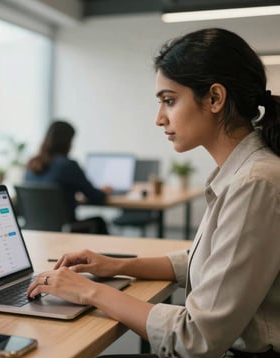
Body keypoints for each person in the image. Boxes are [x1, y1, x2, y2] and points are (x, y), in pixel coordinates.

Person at [26, 28, 280, 357]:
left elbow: (195, 339)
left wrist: (90, 292)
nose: (159, 119)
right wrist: (114, 265)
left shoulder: (254, 183)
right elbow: (205, 260)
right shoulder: (246, 172)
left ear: (215, 98)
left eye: (169, 101)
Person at [24, 120, 112, 234]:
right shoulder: (68, 165)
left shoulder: (32, 164)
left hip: (36, 232)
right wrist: (104, 191)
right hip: (65, 229)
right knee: (99, 221)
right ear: (68, 142)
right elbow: (96, 197)